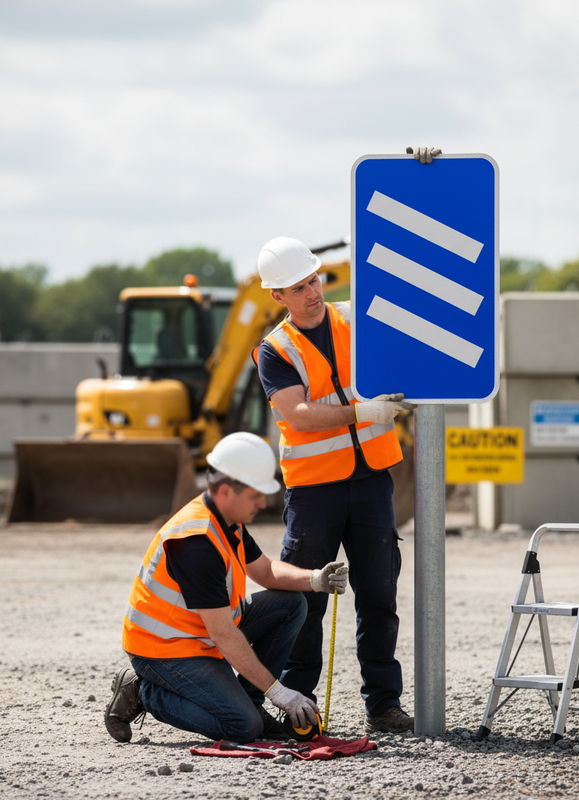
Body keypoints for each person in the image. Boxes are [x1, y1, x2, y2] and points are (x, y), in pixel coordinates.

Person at [253, 234, 416, 734]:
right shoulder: (274, 349)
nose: (312, 292)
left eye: (313, 280)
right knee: (307, 600)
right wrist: (365, 411)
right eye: (298, 288)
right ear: (277, 297)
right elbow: (299, 416)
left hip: (370, 481)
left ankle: (383, 705)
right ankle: (299, 706)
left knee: (378, 595)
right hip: (314, 491)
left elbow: (408, 300)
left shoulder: (354, 318)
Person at [104, 431, 348, 744]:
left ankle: (251, 703)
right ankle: (144, 690)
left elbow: (266, 570)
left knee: (291, 605)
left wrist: (315, 579)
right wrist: (280, 692)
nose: (263, 502)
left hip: (198, 633)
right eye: (255, 495)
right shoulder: (196, 543)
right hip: (165, 649)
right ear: (224, 491)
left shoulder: (227, 520)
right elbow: (223, 635)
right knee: (242, 727)